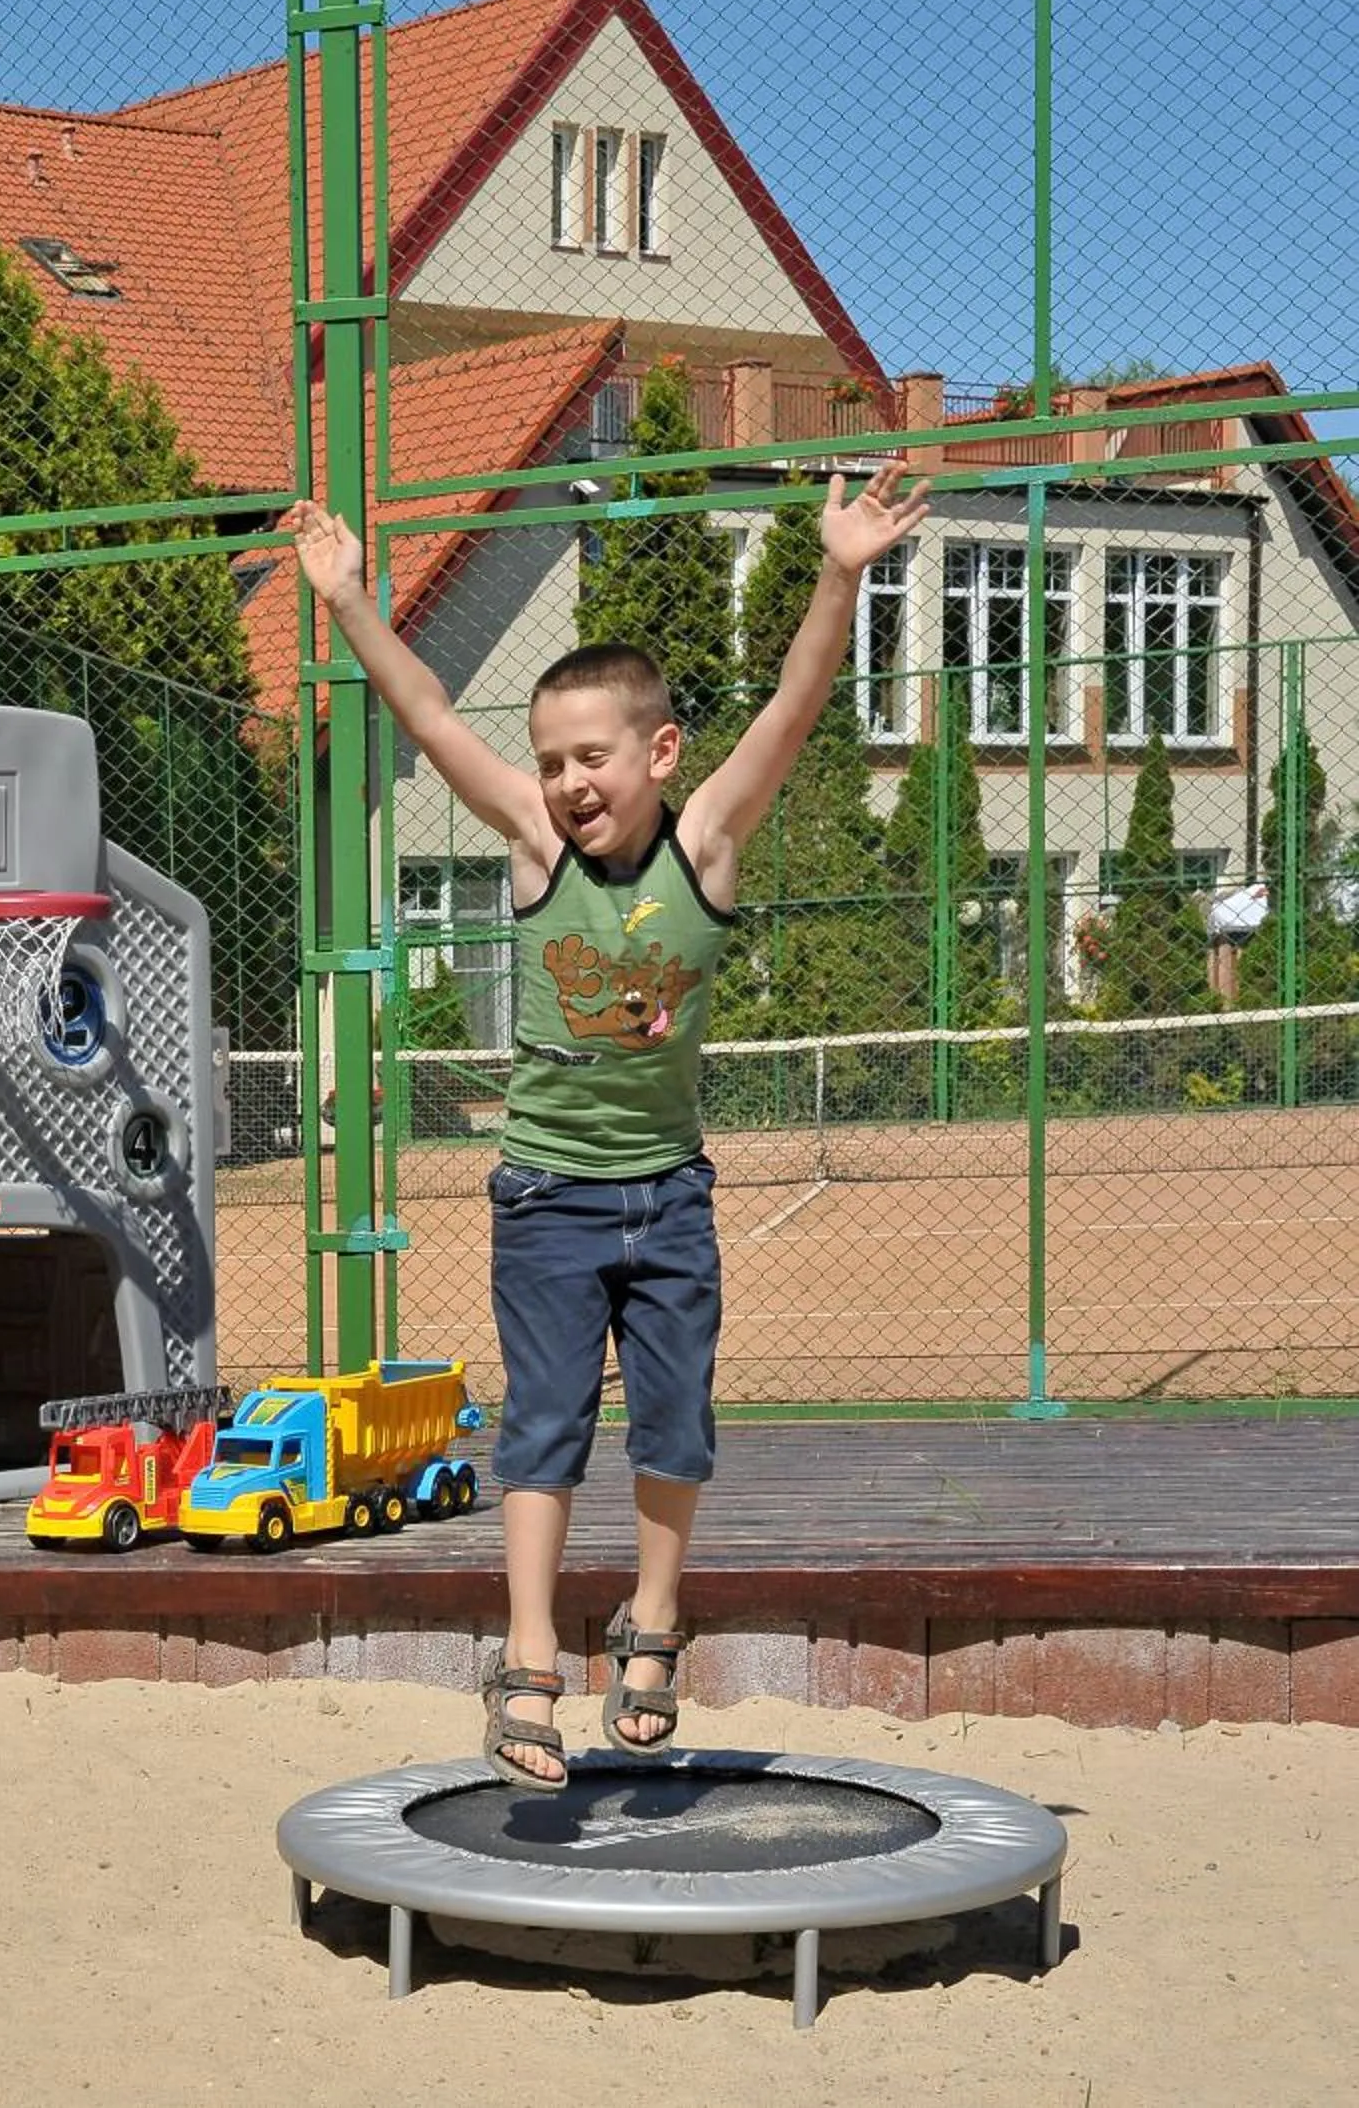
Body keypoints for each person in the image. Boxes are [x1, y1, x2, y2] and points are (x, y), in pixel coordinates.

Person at [285, 464, 931, 1788]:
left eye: (593, 758)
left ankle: (652, 1623)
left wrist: (840, 572)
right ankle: (527, 1650)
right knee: (543, 1423)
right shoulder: (534, 847)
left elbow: (794, 714)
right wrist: (349, 602)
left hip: (667, 1196)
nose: (570, 783)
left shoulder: (706, 848)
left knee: (677, 1422)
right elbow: (427, 713)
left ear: (659, 754)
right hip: (547, 1196)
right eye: (554, 761)